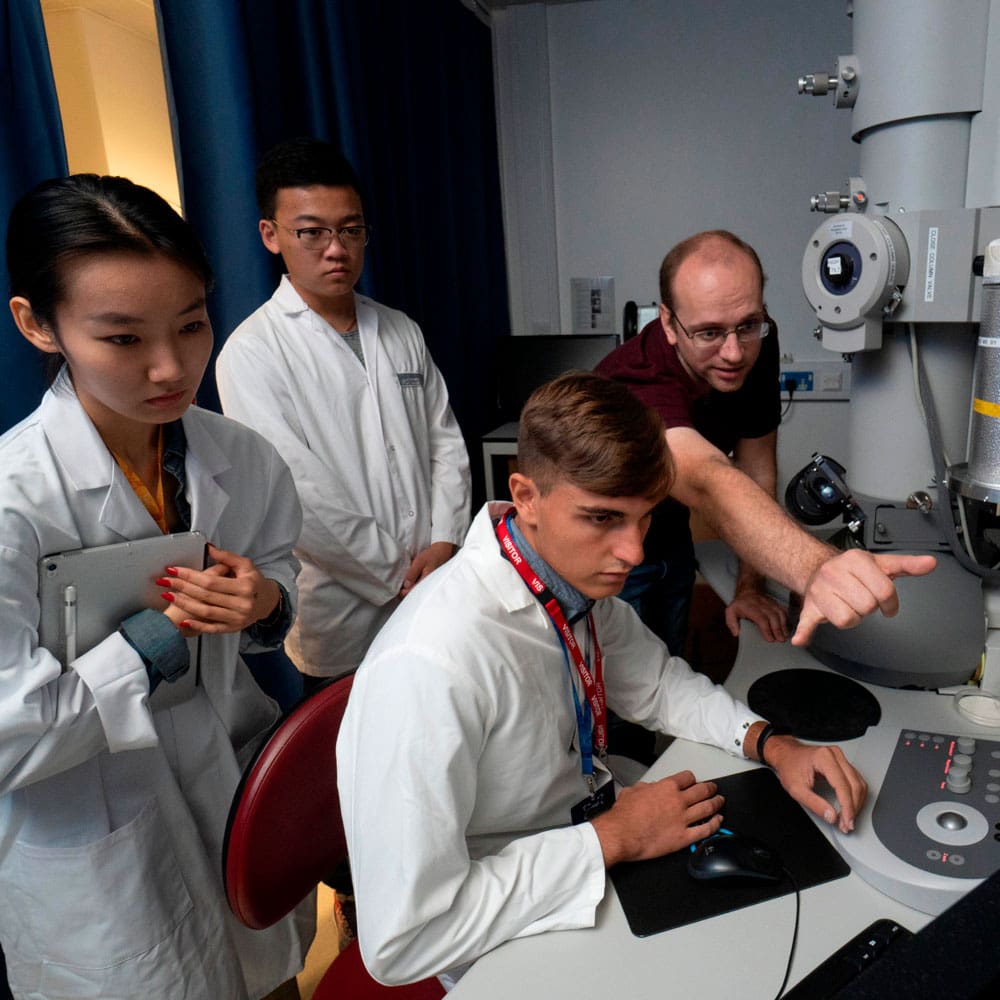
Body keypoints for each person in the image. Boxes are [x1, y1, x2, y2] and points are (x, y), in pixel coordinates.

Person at [337, 371, 884, 989]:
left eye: (645, 518)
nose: (632, 552)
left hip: (593, 837)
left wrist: (772, 744)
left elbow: (656, 685)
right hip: (505, 937)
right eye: (602, 519)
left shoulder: (565, 580)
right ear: (526, 495)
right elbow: (402, 940)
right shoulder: (429, 665)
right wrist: (607, 841)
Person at [0, 174, 312, 999]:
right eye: (124, 339)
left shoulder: (239, 457)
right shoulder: (14, 499)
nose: (172, 367)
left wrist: (264, 603)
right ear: (39, 324)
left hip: (230, 787)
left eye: (191, 324)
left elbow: (280, 572)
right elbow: (11, 734)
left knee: (270, 977)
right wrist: (151, 642)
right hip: (95, 842)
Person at [597, 230, 934, 652]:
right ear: (668, 322)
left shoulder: (758, 343)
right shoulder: (638, 379)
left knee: (667, 661)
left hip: (669, 532)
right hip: (607, 546)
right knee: (613, 676)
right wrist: (816, 569)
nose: (735, 353)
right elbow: (705, 478)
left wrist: (750, 588)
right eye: (709, 334)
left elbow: (756, 467)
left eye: (748, 325)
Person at [216, 137, 471, 684]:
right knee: (346, 758)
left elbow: (443, 439)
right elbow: (295, 487)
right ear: (271, 235)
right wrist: (396, 572)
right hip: (343, 609)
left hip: (434, 582)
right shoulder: (252, 351)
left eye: (351, 230)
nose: (336, 249)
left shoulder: (400, 329)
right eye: (311, 232)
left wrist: (445, 539)